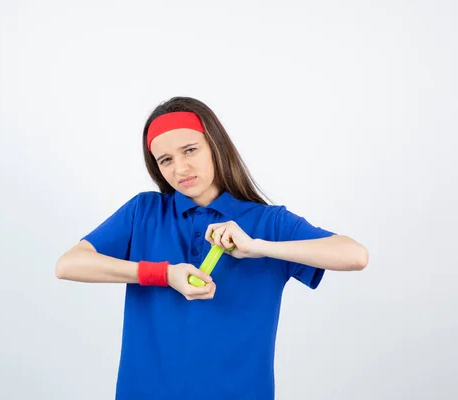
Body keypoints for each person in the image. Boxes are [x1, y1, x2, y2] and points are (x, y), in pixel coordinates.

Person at [55, 96, 369, 399]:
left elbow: (355, 255)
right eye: (166, 160)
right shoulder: (144, 212)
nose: (180, 169)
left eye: (189, 150)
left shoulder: (268, 223)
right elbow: (69, 264)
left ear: (215, 147)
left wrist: (259, 247)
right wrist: (163, 274)